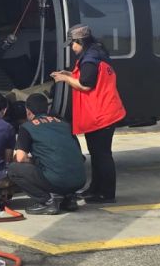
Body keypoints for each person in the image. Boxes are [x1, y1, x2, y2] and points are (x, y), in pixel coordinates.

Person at [50, 24, 126, 204]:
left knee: (102, 155)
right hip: (102, 112)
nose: (71, 47)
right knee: (97, 153)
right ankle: (95, 189)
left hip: (101, 114)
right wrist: (70, 73)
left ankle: (106, 193)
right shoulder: (95, 54)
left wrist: (65, 78)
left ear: (80, 42)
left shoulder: (90, 59)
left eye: (72, 44)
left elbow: (86, 84)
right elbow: (87, 77)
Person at [7, 93, 87, 215]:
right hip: (80, 180)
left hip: (57, 180)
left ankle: (48, 201)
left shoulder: (27, 127)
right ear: (48, 109)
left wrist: (33, 161)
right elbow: (78, 153)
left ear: (28, 111)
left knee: (13, 168)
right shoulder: (64, 124)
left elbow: (20, 157)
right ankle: (68, 198)